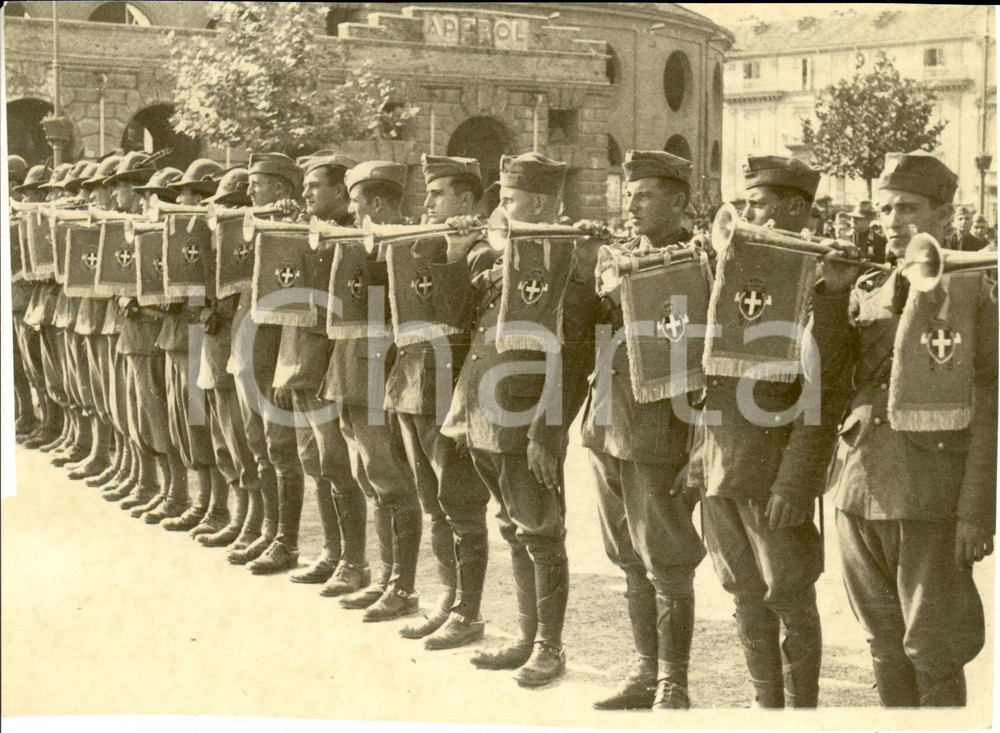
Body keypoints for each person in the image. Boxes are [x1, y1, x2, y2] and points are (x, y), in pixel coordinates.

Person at [823, 151, 996, 707]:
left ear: (945, 215)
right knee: (882, 642)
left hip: (929, 494)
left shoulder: (977, 289)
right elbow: (829, 377)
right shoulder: (868, 285)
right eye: (886, 209)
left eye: (909, 208)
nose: (894, 221)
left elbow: (991, 403)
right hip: (860, 485)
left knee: (933, 647)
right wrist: (829, 296)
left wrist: (975, 510)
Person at [433, 152, 597, 687]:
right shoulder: (508, 258)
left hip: (524, 425)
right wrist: (458, 258)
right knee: (513, 527)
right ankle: (527, 638)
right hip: (479, 415)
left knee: (541, 532)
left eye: (509, 200)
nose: (498, 210)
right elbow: (459, 325)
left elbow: (572, 357)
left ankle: (549, 646)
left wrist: (547, 433)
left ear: (543, 203)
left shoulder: (566, 262)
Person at [697, 155, 842, 708]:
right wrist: (701, 454)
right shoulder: (738, 274)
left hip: (773, 474)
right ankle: (766, 704)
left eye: (759, 204)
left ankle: (800, 710)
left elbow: (820, 399)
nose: (746, 213)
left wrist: (794, 482)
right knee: (743, 593)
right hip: (724, 464)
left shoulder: (821, 285)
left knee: (789, 595)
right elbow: (712, 376)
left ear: (796, 209)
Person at [583, 151, 706, 710]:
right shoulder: (618, 255)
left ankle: (673, 682)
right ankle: (644, 672)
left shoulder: (701, 260)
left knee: (667, 557)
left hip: (662, 430)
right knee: (627, 555)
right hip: (608, 424)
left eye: (645, 195)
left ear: (679, 201)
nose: (630, 205)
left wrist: (698, 442)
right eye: (628, 195)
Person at [390, 154, 493, 649]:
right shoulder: (423, 243)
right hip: (413, 387)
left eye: (437, 194)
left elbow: (465, 320)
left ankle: (468, 612)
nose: (427, 201)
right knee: (433, 505)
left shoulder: (482, 253)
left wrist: (457, 254)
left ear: (467, 201)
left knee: (461, 505)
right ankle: (446, 600)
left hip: (451, 391)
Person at [318, 160, 423, 620]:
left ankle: (402, 586)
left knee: (391, 482)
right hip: (351, 372)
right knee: (369, 480)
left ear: (378, 204)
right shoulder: (361, 241)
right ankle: (384, 579)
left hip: (377, 375)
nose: (352, 212)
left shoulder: (407, 245)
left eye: (358, 204)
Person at [266, 154, 371, 585]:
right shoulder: (308, 231)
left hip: (328, 366)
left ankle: (355, 561)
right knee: (315, 461)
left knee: (337, 464)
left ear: (341, 192)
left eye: (314, 186)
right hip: (300, 362)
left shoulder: (352, 236)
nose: (305, 194)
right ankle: (332, 552)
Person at [223, 153, 306, 572]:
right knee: (257, 446)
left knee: (280, 449)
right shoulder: (252, 224)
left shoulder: (293, 227)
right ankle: (266, 531)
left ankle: (285, 542)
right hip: (246, 348)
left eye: (259, 183)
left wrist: (290, 221)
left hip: (273, 352)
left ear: (282, 189)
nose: (251, 190)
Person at [105, 155, 189, 520]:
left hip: (156, 336)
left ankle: (177, 493)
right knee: (145, 418)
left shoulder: (172, 235)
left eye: (156, 196)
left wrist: (143, 308)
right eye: (147, 195)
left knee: (165, 420)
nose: (148, 202)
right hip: (137, 336)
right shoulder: (144, 229)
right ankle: (159, 486)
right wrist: (125, 298)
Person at [150, 158, 231, 529]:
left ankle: (214, 505)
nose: (182, 205)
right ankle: (193, 496)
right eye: (181, 198)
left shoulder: (217, 233)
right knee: (183, 418)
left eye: (189, 198)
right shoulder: (183, 234)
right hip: (178, 332)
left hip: (200, 332)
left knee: (202, 421)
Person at [193, 167, 258, 544]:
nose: (222, 217)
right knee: (223, 434)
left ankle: (248, 520)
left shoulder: (246, 249)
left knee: (240, 435)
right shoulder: (217, 247)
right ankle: (232, 512)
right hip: (214, 348)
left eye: (232, 208)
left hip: (234, 348)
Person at [848, 200, 888, 264]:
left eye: (858, 218)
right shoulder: (844, 237)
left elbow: (879, 266)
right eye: (853, 217)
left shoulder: (879, 240)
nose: (853, 220)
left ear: (868, 220)